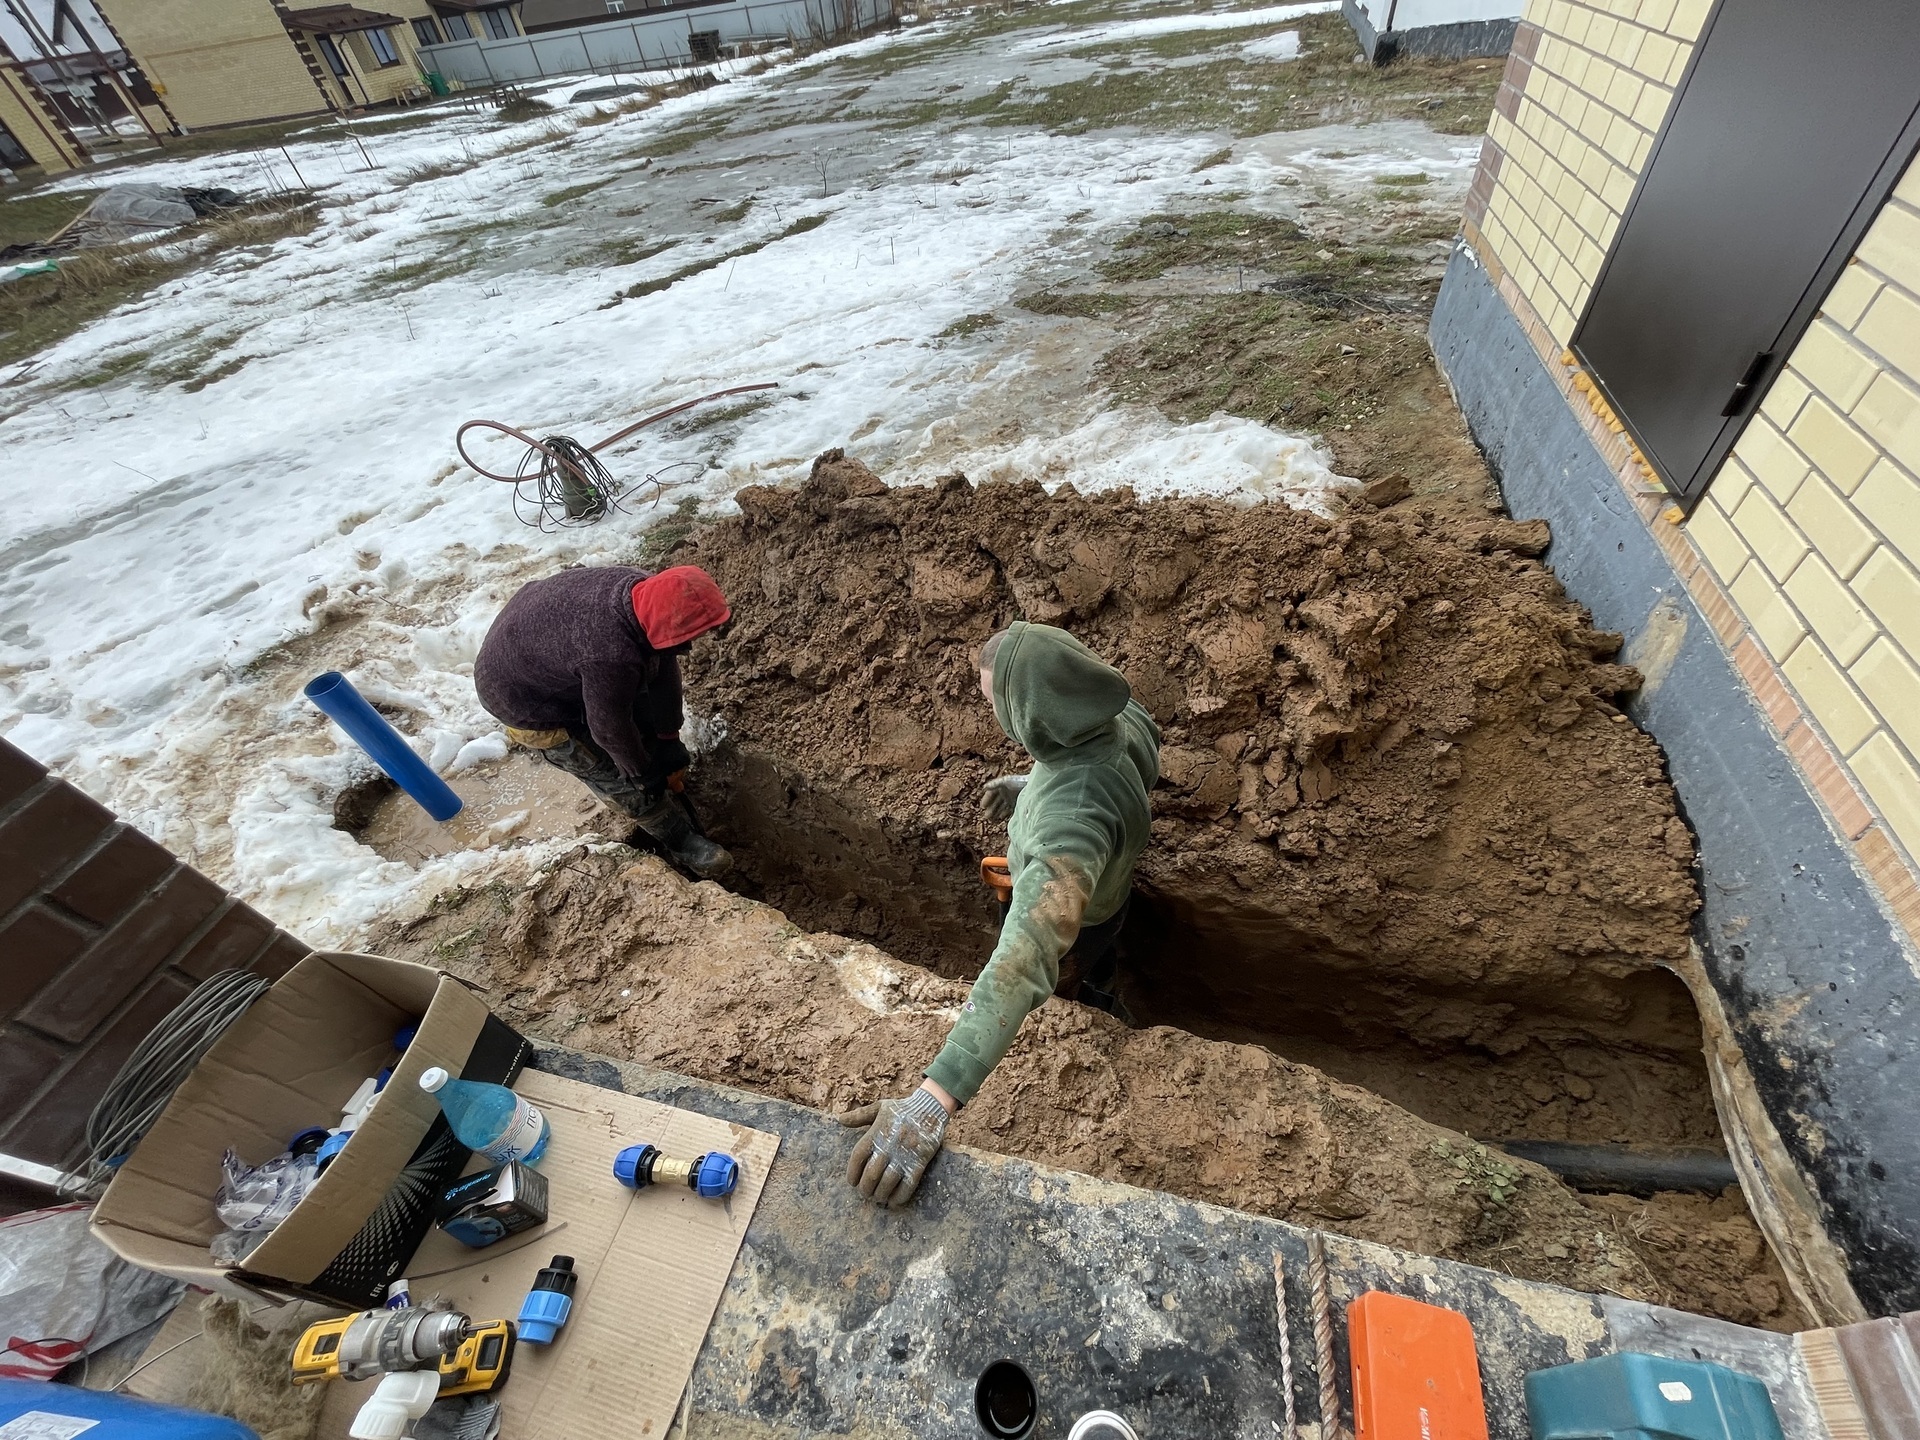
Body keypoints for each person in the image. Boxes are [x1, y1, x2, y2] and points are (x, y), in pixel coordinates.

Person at [843, 621, 1161, 1207]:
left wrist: (935, 1097)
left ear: (1037, 716)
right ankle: (1103, 990)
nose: (990, 713)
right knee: (1105, 948)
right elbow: (1110, 766)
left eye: (994, 703)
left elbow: (1022, 960)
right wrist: (1037, 781)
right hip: (1110, 895)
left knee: (1066, 971)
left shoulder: (1072, 826)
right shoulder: (1118, 714)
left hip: (1081, 920)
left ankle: (1091, 1010)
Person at [474, 564, 732, 878]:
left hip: (550, 648)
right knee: (614, 772)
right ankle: (679, 840)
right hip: (520, 697)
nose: (693, 645)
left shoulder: (644, 594)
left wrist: (668, 736)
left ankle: (653, 773)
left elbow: (664, 663)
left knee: (635, 722)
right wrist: (640, 773)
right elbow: (608, 729)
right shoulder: (610, 655)